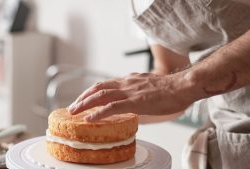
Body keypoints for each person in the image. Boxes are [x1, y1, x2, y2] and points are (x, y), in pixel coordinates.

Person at [68, 0, 250, 168]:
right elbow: (169, 70)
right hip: (226, 144)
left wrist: (178, 85)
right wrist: (110, 115)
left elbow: (174, 86)